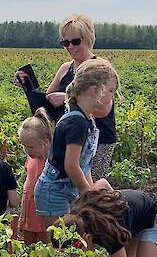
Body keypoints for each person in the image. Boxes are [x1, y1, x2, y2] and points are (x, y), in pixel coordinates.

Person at [14, 14, 118, 180]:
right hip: (71, 137)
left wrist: (68, 98)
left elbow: (104, 109)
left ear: (89, 39)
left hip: (97, 140)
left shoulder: (101, 68)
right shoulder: (65, 69)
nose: (71, 47)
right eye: (65, 42)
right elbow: (46, 107)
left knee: (90, 192)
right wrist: (28, 87)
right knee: (69, 188)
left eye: (75, 41)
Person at [34, 58, 117, 227]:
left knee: (75, 241)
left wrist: (89, 188)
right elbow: (71, 166)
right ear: (95, 90)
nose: (112, 96)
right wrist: (88, 194)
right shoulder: (76, 123)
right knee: (62, 244)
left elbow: (83, 164)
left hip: (68, 189)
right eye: (111, 91)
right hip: (54, 191)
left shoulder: (88, 119)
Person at [17, 108, 53, 244]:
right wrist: (22, 216)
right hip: (29, 210)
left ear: (45, 142)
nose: (27, 151)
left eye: (31, 147)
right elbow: (27, 187)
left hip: (44, 211)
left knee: (46, 246)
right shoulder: (31, 158)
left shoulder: (51, 161)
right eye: (24, 146)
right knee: (28, 246)